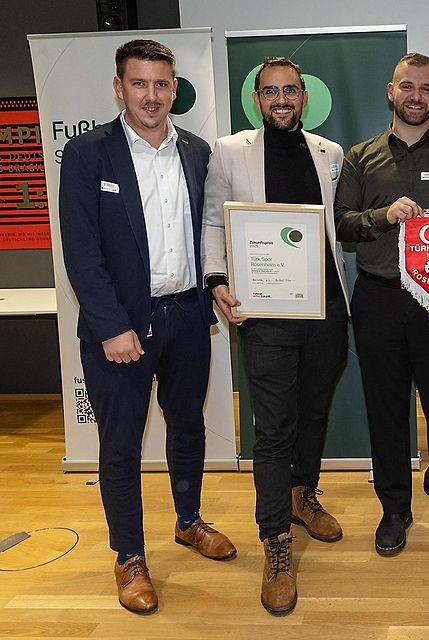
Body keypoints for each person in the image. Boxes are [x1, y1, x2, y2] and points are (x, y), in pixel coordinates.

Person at [58, 39, 235, 615]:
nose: (152, 96)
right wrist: (110, 325)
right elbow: (82, 250)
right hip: (121, 328)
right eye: (140, 84)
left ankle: (188, 521)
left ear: (174, 88)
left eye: (162, 85)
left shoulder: (198, 152)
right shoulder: (88, 154)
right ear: (119, 87)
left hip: (187, 316)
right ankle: (129, 555)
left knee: (188, 427)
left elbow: (212, 232)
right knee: (121, 445)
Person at [201, 56, 349, 616]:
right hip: (262, 314)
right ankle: (276, 541)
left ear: (304, 97)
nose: (281, 99)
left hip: (325, 308)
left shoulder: (329, 153)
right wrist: (217, 279)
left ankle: (302, 496)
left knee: (313, 414)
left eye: (291, 90)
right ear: (256, 100)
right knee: (273, 430)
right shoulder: (230, 151)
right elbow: (215, 220)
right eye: (270, 92)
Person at [334, 52, 429, 556]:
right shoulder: (361, 156)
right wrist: (383, 215)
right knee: (386, 410)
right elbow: (343, 223)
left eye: (426, 88)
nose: (416, 96)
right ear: (391, 90)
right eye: (408, 86)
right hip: (380, 300)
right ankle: (394, 508)